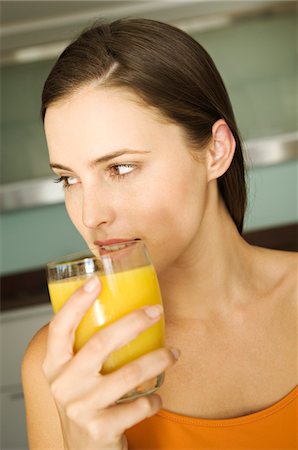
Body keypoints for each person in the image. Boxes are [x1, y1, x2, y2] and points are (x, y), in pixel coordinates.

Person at [22, 18, 297, 450]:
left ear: (215, 151)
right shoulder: (62, 364)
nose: (90, 215)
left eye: (121, 167)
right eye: (68, 179)